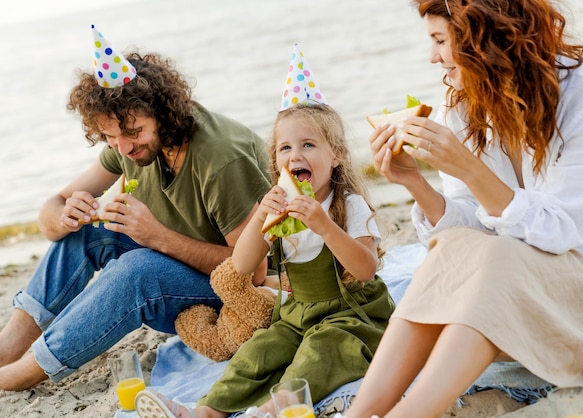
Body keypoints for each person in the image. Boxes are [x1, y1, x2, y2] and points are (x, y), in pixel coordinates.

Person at [344, 0, 583, 417]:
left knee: (499, 253)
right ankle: (361, 412)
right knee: (456, 247)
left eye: (441, 40)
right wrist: (416, 183)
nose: (432, 56)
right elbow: (467, 227)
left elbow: (562, 230)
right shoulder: (461, 103)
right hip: (513, 286)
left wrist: (471, 169)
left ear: (485, 36)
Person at [0, 25, 271, 391]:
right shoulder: (126, 139)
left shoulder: (220, 159)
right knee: (90, 230)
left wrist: (158, 237)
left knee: (137, 269)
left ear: (163, 112)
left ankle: (23, 373)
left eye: (133, 133)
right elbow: (52, 209)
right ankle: (8, 348)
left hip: (248, 295)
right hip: (183, 269)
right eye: (111, 137)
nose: (123, 148)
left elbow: (252, 273)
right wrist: (65, 217)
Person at [133, 44, 395, 418]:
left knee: (322, 350)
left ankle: (274, 410)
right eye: (285, 148)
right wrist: (260, 220)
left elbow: (366, 269)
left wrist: (323, 226)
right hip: (296, 313)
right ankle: (204, 412)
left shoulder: (346, 205)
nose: (295, 155)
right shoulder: (278, 207)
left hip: (350, 313)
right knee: (259, 352)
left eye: (308, 145)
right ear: (275, 160)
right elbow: (241, 265)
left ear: (335, 155)